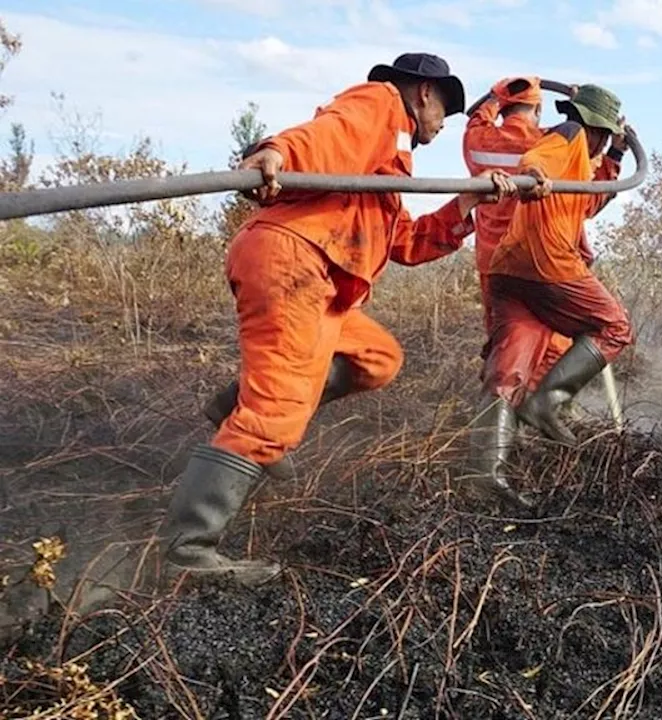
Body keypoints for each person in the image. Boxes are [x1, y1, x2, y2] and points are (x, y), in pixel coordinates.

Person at [158, 52, 518, 587]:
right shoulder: (378, 107)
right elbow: (325, 135)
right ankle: (188, 551)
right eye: (445, 109)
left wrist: (465, 205)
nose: (443, 125)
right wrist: (275, 152)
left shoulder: (389, 167)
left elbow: (407, 243)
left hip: (322, 282)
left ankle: (238, 406)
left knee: (377, 359)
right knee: (275, 412)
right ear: (423, 93)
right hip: (293, 262)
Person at [466, 83, 633, 508]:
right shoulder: (570, 135)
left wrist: (614, 156)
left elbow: (589, 203)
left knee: (507, 371)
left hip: (508, 270)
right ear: (597, 127)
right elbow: (539, 156)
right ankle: (547, 404)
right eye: (605, 139)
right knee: (614, 326)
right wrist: (536, 172)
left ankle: (485, 477)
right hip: (547, 264)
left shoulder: (581, 163)